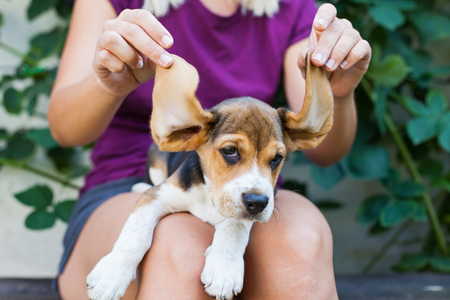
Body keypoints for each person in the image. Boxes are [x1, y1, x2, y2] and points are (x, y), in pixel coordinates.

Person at [48, 0, 371, 298]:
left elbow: (322, 147)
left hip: (254, 196)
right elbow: (64, 131)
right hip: (127, 179)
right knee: (179, 248)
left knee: (299, 245)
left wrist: (336, 94)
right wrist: (107, 84)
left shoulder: (293, 7)